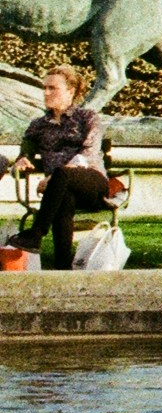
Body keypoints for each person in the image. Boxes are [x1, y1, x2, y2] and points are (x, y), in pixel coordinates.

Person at [6, 65, 115, 270]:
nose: (46, 93)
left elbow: (88, 154)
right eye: (44, 88)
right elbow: (23, 156)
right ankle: (63, 267)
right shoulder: (38, 125)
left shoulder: (87, 118)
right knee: (64, 199)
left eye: (52, 88)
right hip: (59, 190)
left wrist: (53, 178)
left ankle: (36, 233)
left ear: (71, 91)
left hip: (92, 183)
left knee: (63, 174)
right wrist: (20, 162)